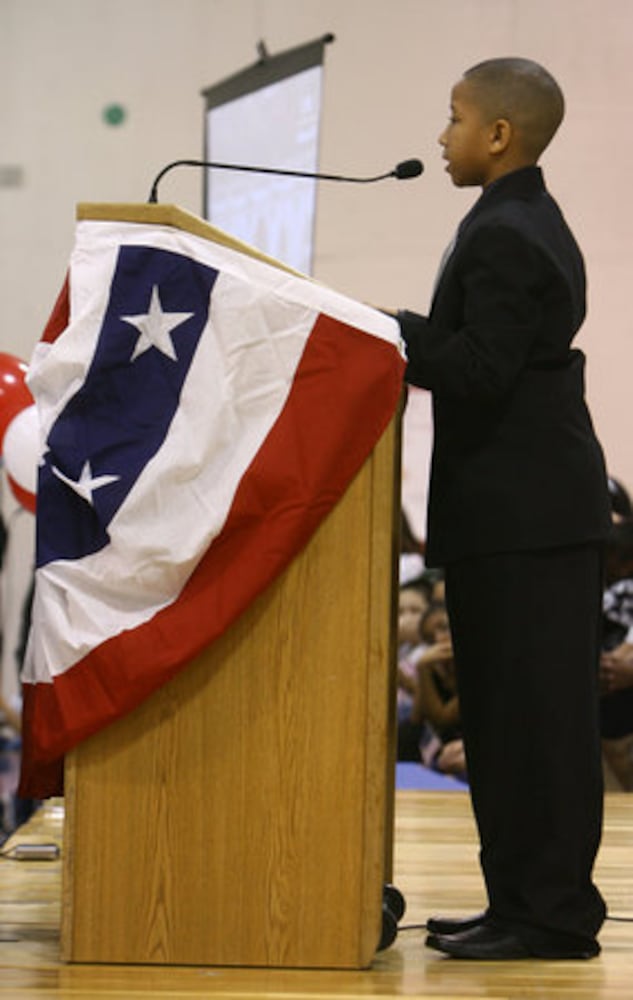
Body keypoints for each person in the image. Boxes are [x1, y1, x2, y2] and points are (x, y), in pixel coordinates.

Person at [397, 57, 611, 960]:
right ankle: (520, 903)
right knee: (507, 720)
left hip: (527, 523)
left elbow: (479, 372)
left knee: (535, 725)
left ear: (498, 135)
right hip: (517, 522)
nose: (439, 136)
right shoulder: (512, 220)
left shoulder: (508, 233)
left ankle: (549, 914)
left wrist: (386, 334)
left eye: (452, 119)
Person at [412, 601, 467, 781]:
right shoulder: (434, 667)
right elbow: (417, 718)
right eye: (431, 637)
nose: (439, 639)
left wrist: (422, 668)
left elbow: (443, 719)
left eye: (444, 629)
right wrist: (425, 670)